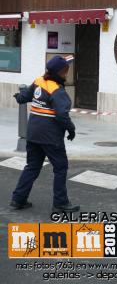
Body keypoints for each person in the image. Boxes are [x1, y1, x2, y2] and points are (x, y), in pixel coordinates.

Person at [10, 55, 79, 213]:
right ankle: (60, 203)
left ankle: (18, 199)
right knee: (60, 168)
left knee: (32, 166)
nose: (67, 74)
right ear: (59, 72)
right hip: (50, 136)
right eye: (65, 71)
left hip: (33, 133)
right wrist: (71, 128)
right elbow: (62, 115)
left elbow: (24, 97)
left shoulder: (38, 81)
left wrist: (18, 97)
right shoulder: (56, 89)